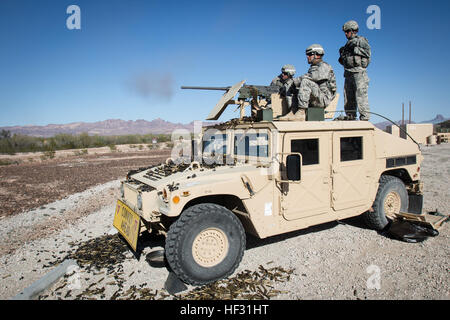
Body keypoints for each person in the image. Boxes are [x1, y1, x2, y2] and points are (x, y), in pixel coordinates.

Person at [278, 44, 336, 121]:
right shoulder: (313, 67)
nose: (307, 57)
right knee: (293, 85)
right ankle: (293, 111)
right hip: (316, 97)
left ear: (317, 54)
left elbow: (312, 77)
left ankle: (301, 112)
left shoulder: (324, 66)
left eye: (309, 54)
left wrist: (295, 81)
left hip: (324, 99)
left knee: (305, 82)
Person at [338, 20, 371, 121]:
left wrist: (355, 49)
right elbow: (342, 61)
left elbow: (368, 53)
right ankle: (350, 116)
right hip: (348, 73)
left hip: (359, 73)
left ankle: (364, 118)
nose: (346, 34)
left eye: (347, 31)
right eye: (345, 32)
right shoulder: (347, 45)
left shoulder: (360, 41)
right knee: (348, 97)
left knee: (361, 95)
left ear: (353, 31)